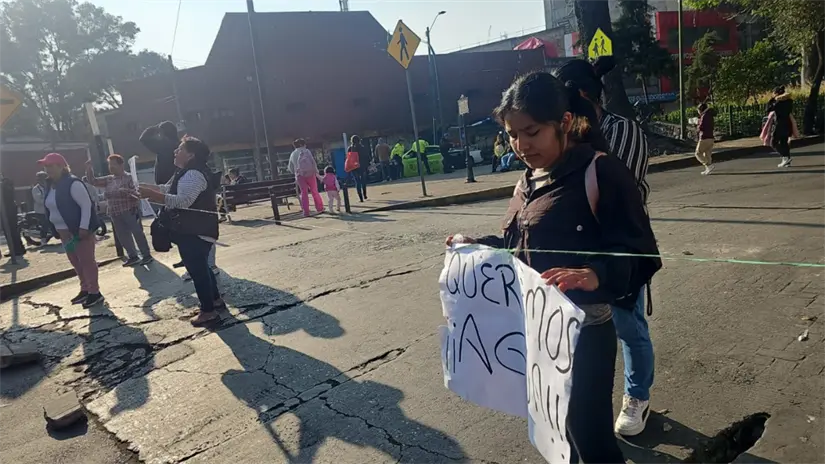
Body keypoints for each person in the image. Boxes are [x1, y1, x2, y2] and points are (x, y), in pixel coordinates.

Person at [448, 72, 661, 463]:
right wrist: (478, 246)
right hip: (537, 330)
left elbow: (641, 250)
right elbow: (516, 247)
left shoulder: (601, 171)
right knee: (556, 429)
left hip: (586, 332)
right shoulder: (527, 181)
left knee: (590, 436)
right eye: (512, 135)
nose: (520, 145)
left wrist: (597, 273)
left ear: (563, 123)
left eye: (531, 132)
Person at [554, 56, 655, 437]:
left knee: (628, 324)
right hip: (576, 253)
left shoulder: (621, 131)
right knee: (583, 332)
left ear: (579, 95)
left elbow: (617, 198)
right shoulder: (563, 136)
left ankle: (637, 397)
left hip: (618, 249)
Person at [138, 137, 224, 327]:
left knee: (197, 270)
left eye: (179, 149)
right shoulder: (186, 172)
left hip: (196, 230)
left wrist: (152, 195)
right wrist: (147, 189)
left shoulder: (193, 174)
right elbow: (168, 189)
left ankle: (208, 311)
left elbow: (183, 201)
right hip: (194, 229)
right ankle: (215, 300)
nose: (175, 152)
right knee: (202, 267)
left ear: (191, 154)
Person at [39, 153, 103, 308]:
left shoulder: (72, 183)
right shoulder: (50, 185)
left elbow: (86, 205)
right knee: (75, 261)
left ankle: (95, 292)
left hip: (77, 231)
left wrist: (83, 227)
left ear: (61, 166)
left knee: (87, 261)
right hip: (63, 232)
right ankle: (85, 288)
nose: (48, 170)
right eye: (46, 167)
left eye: (51, 166)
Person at [86, 155, 153, 267]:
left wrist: (125, 191)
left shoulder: (129, 178)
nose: (111, 167)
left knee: (137, 233)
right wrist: (89, 169)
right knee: (122, 235)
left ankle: (146, 255)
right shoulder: (109, 179)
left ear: (121, 165)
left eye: (113, 164)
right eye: (109, 164)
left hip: (129, 210)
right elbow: (93, 181)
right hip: (114, 212)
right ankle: (133, 256)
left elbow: (137, 193)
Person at [287, 138, 324, 216]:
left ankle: (306, 211)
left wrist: (295, 173)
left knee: (304, 193)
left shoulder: (293, 154)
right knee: (314, 191)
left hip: (300, 175)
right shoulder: (307, 151)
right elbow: (312, 162)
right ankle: (319, 208)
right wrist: (316, 172)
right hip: (310, 174)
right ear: (303, 144)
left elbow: (290, 167)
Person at [766, 86, 796, 168]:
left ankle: (785, 157)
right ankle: (787, 161)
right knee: (784, 142)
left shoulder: (777, 102)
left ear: (776, 94)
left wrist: (773, 99)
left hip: (779, 124)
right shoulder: (789, 101)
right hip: (787, 123)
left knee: (773, 142)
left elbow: (768, 109)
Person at [1, 178, 25, 257]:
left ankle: (17, 249)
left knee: (12, 231)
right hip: (7, 210)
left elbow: (7, 197)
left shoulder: (5, 184)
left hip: (8, 211)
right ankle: (15, 249)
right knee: (11, 231)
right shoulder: (6, 183)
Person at [347, 135, 370, 202]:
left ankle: (360, 198)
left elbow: (348, 158)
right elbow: (367, 156)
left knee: (357, 181)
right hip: (362, 166)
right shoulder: (362, 147)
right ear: (359, 140)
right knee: (363, 180)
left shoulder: (350, 148)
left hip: (354, 167)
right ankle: (365, 195)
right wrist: (367, 164)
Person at [31, 172, 52, 245]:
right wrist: (48, 200)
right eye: (42, 179)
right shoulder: (35, 189)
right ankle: (43, 239)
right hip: (41, 211)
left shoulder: (49, 187)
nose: (44, 180)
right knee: (45, 224)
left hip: (49, 209)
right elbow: (38, 200)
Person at [695, 103, 716, 175]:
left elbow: (701, 127)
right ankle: (708, 169)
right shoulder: (710, 115)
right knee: (707, 154)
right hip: (711, 137)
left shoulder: (704, 116)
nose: (698, 112)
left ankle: (709, 166)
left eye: (698, 110)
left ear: (701, 109)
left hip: (704, 137)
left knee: (698, 153)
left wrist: (697, 123)